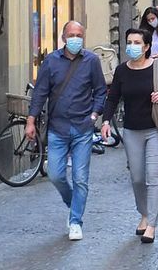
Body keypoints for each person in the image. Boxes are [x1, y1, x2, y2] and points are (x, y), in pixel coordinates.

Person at [26, 21, 107, 241]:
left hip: (82, 128)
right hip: (57, 128)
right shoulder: (51, 61)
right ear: (63, 37)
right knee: (55, 174)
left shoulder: (91, 61)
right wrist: (30, 121)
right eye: (71, 35)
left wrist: (94, 115)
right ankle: (74, 205)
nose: (75, 38)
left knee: (81, 178)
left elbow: (101, 91)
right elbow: (40, 93)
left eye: (79, 35)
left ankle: (75, 222)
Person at [101, 28, 158, 244]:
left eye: (137, 42)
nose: (132, 46)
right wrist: (106, 121)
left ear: (146, 47)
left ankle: (152, 225)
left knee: (153, 177)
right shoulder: (121, 71)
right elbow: (112, 98)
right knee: (137, 177)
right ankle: (144, 213)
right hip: (131, 130)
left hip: (156, 129)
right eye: (129, 42)